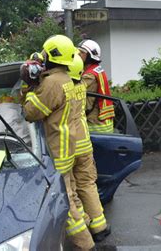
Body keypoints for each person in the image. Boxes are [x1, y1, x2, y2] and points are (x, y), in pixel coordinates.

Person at [22, 35, 95, 250]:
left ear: (51, 54)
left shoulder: (53, 83)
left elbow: (31, 113)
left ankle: (85, 244)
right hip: (67, 147)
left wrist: (28, 90)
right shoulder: (65, 79)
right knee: (72, 192)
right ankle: (88, 224)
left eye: (45, 52)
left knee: (66, 202)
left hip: (57, 151)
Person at [68, 53, 111, 242]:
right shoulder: (90, 77)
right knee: (87, 185)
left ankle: (83, 229)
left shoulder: (58, 88)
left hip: (67, 148)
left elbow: (35, 112)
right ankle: (100, 227)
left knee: (70, 189)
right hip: (86, 142)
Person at [78, 39, 115, 133]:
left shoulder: (89, 76)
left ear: (90, 56)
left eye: (82, 52)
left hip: (95, 125)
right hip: (104, 122)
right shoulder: (96, 69)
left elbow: (84, 103)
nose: (78, 54)